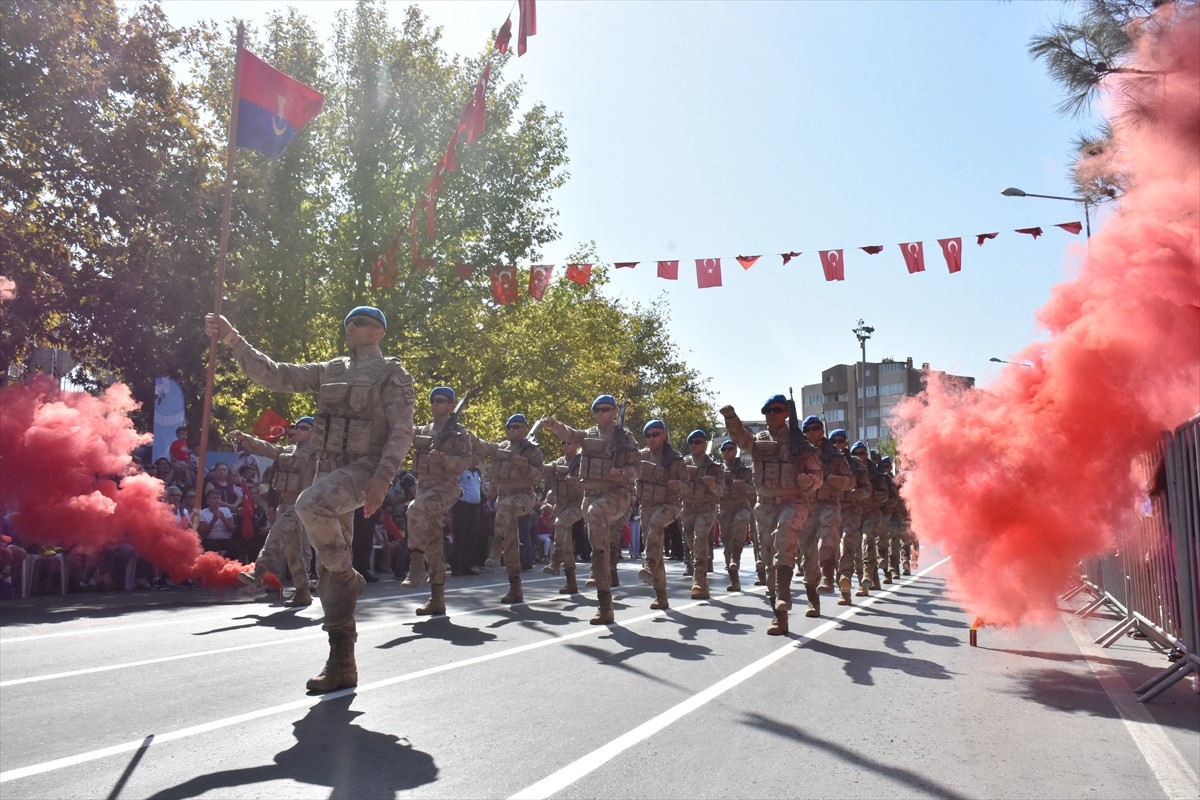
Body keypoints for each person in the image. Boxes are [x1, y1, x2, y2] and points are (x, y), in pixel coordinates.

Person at [206, 305, 415, 693]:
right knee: (329, 573)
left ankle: (350, 577)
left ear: (379, 333)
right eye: (349, 321)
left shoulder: (392, 374)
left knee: (308, 504)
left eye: (362, 323)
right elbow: (275, 374)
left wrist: (383, 478)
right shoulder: (329, 369)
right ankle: (342, 663)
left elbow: (402, 431)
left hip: (365, 469)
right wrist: (234, 340)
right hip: (330, 469)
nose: (352, 327)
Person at [720, 395, 823, 636]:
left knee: (784, 537)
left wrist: (809, 480)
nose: (771, 414)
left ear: (786, 413)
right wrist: (731, 418)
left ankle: (786, 592)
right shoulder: (758, 441)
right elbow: (739, 437)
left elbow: (817, 475)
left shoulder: (800, 444)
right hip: (764, 506)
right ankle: (779, 616)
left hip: (793, 502)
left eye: (776, 410)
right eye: (767, 410)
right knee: (767, 561)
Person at [540, 395, 640, 625]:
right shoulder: (587, 435)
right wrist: (553, 425)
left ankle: (599, 572)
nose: (600, 413)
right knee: (598, 546)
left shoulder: (625, 438)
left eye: (605, 409)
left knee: (596, 515)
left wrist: (621, 473)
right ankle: (605, 606)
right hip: (591, 494)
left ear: (614, 411)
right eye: (596, 410)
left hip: (616, 493)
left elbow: (636, 469)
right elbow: (570, 434)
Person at [231, 417, 319, 607]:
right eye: (297, 428)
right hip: (285, 504)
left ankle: (258, 573)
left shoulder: (318, 453)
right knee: (292, 551)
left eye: (304, 428)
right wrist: (244, 438)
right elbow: (266, 448)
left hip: (300, 504)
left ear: (314, 431)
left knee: (274, 536)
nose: (298, 431)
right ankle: (303, 591)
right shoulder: (290, 450)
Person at [403, 386, 475, 616]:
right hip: (425, 487)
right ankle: (437, 598)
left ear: (451, 405)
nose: (436, 404)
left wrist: (444, 459)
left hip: (446, 486)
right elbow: (400, 436)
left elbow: (465, 461)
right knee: (434, 541)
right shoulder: (423, 430)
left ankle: (416, 563)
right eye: (433, 400)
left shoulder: (459, 433)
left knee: (413, 510)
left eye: (441, 401)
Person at [475, 413, 544, 604]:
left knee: (505, 509)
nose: (512, 430)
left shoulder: (532, 451)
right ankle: (515, 588)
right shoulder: (502, 448)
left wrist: (526, 467)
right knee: (512, 544)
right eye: (509, 427)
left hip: (523, 496)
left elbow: (539, 476)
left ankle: (496, 546)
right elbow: (484, 446)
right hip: (504, 497)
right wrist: (468, 435)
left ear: (524, 429)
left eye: (516, 427)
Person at [634, 419, 686, 610]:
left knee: (656, 526)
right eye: (648, 436)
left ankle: (648, 564)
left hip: (669, 505)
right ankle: (661, 596)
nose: (651, 439)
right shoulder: (640, 456)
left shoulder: (675, 459)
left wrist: (679, 485)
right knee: (654, 545)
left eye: (655, 434)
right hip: (646, 506)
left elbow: (687, 486)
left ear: (664, 435)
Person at [679, 429, 725, 600]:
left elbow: (721, 491)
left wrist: (712, 485)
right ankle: (702, 581)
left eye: (698, 442)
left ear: (705, 444)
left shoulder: (714, 467)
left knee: (700, 536)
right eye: (691, 442)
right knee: (691, 542)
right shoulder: (683, 465)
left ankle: (698, 579)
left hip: (706, 508)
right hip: (688, 508)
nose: (694, 445)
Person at [832, 432, 871, 605]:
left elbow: (867, 489)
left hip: (851, 510)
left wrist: (858, 494)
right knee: (831, 549)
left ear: (846, 443)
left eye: (840, 441)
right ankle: (840, 579)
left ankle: (845, 584)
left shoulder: (855, 464)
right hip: (831, 509)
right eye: (833, 442)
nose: (837, 445)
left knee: (848, 542)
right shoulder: (825, 463)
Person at [542, 437, 584, 592]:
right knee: (565, 541)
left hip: (576, 504)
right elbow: (545, 468)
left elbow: (589, 489)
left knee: (560, 523)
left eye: (569, 442)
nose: (565, 445)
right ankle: (571, 582)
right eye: (563, 442)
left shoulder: (583, 463)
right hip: (560, 505)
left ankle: (555, 560)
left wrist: (576, 484)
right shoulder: (558, 462)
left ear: (577, 445)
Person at [718, 438, 756, 591]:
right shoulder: (717, 470)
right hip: (724, 509)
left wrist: (744, 486)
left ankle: (736, 558)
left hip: (741, 506)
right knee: (727, 543)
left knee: (740, 525)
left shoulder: (745, 470)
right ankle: (734, 579)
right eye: (724, 449)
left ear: (736, 450)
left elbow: (754, 491)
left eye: (730, 448)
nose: (728, 451)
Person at [450, 466, 483, 576]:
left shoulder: (477, 472)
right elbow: (454, 484)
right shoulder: (461, 470)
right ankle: (456, 566)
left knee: (472, 537)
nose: (478, 458)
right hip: (462, 507)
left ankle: (466, 565)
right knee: (461, 536)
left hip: (475, 508)